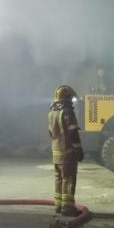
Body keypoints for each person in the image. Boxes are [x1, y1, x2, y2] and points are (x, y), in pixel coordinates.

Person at [48, 85, 84, 217]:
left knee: (59, 178)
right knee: (68, 179)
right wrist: (78, 149)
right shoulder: (68, 112)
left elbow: (51, 132)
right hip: (67, 152)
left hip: (56, 151)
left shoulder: (52, 112)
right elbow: (73, 132)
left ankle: (58, 205)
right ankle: (68, 208)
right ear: (67, 97)